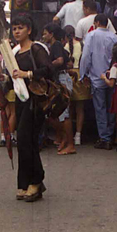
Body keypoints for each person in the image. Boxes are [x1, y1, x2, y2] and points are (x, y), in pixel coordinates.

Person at [0, 14, 51, 202]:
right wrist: (4, 79)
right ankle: (25, 183)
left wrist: (26, 73)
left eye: (20, 28)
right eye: (14, 28)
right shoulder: (15, 52)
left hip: (35, 101)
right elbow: (14, 79)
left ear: (29, 29)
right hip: (21, 99)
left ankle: (36, 181)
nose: (17, 31)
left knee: (27, 140)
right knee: (24, 141)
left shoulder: (36, 49)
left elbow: (48, 70)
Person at [79, 14, 117, 150]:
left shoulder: (91, 36)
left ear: (96, 22)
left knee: (100, 108)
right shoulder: (115, 37)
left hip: (97, 77)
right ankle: (109, 134)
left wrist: (83, 74)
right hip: (112, 76)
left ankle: (104, 138)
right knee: (111, 107)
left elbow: (86, 56)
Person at [42, 23, 75, 155]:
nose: (44, 36)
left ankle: (70, 145)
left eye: (45, 33)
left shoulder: (56, 45)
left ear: (51, 34)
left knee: (64, 114)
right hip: (62, 79)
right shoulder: (57, 46)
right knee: (58, 114)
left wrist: (47, 66)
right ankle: (64, 140)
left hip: (62, 81)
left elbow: (60, 60)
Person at [64, 25, 88, 146]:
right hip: (80, 75)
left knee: (68, 108)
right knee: (80, 108)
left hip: (68, 75)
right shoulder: (82, 45)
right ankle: (78, 135)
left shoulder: (65, 47)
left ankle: (68, 134)